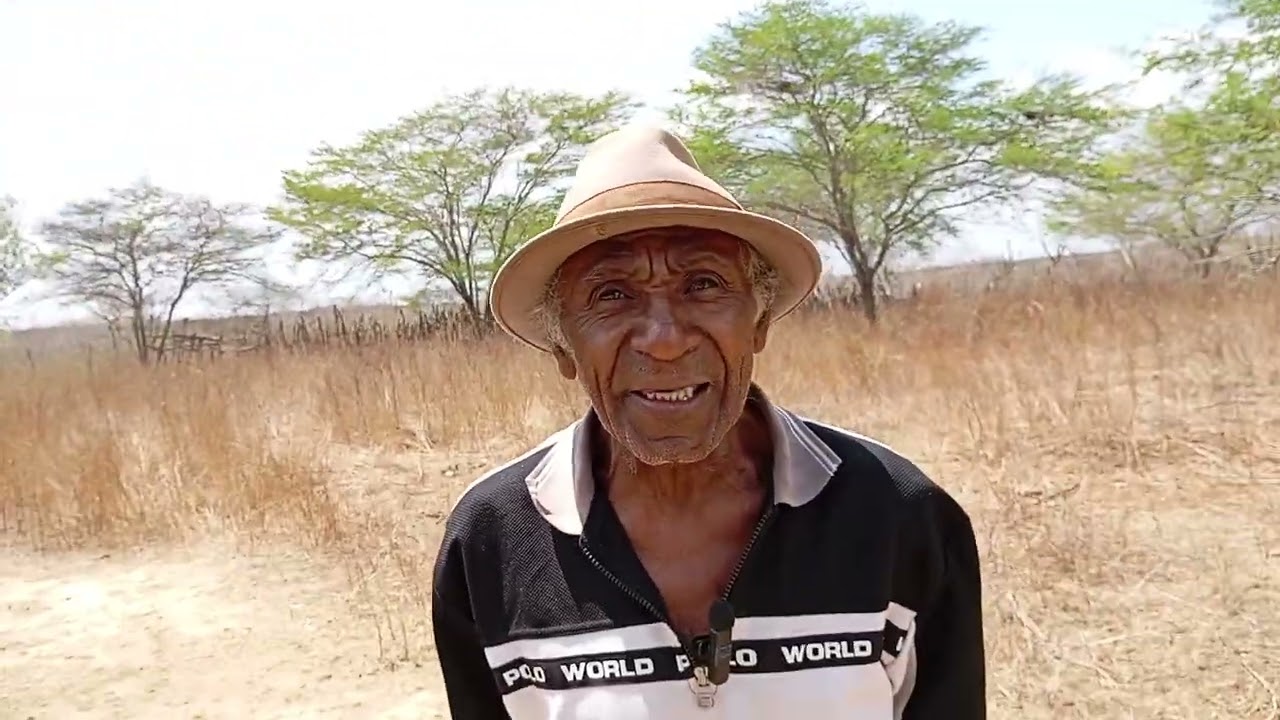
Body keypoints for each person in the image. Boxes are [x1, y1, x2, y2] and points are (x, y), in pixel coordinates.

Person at [430, 125, 986, 719]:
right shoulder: (492, 540)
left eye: (703, 284)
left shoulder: (895, 512)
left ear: (760, 321)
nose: (665, 341)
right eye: (611, 294)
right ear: (563, 346)